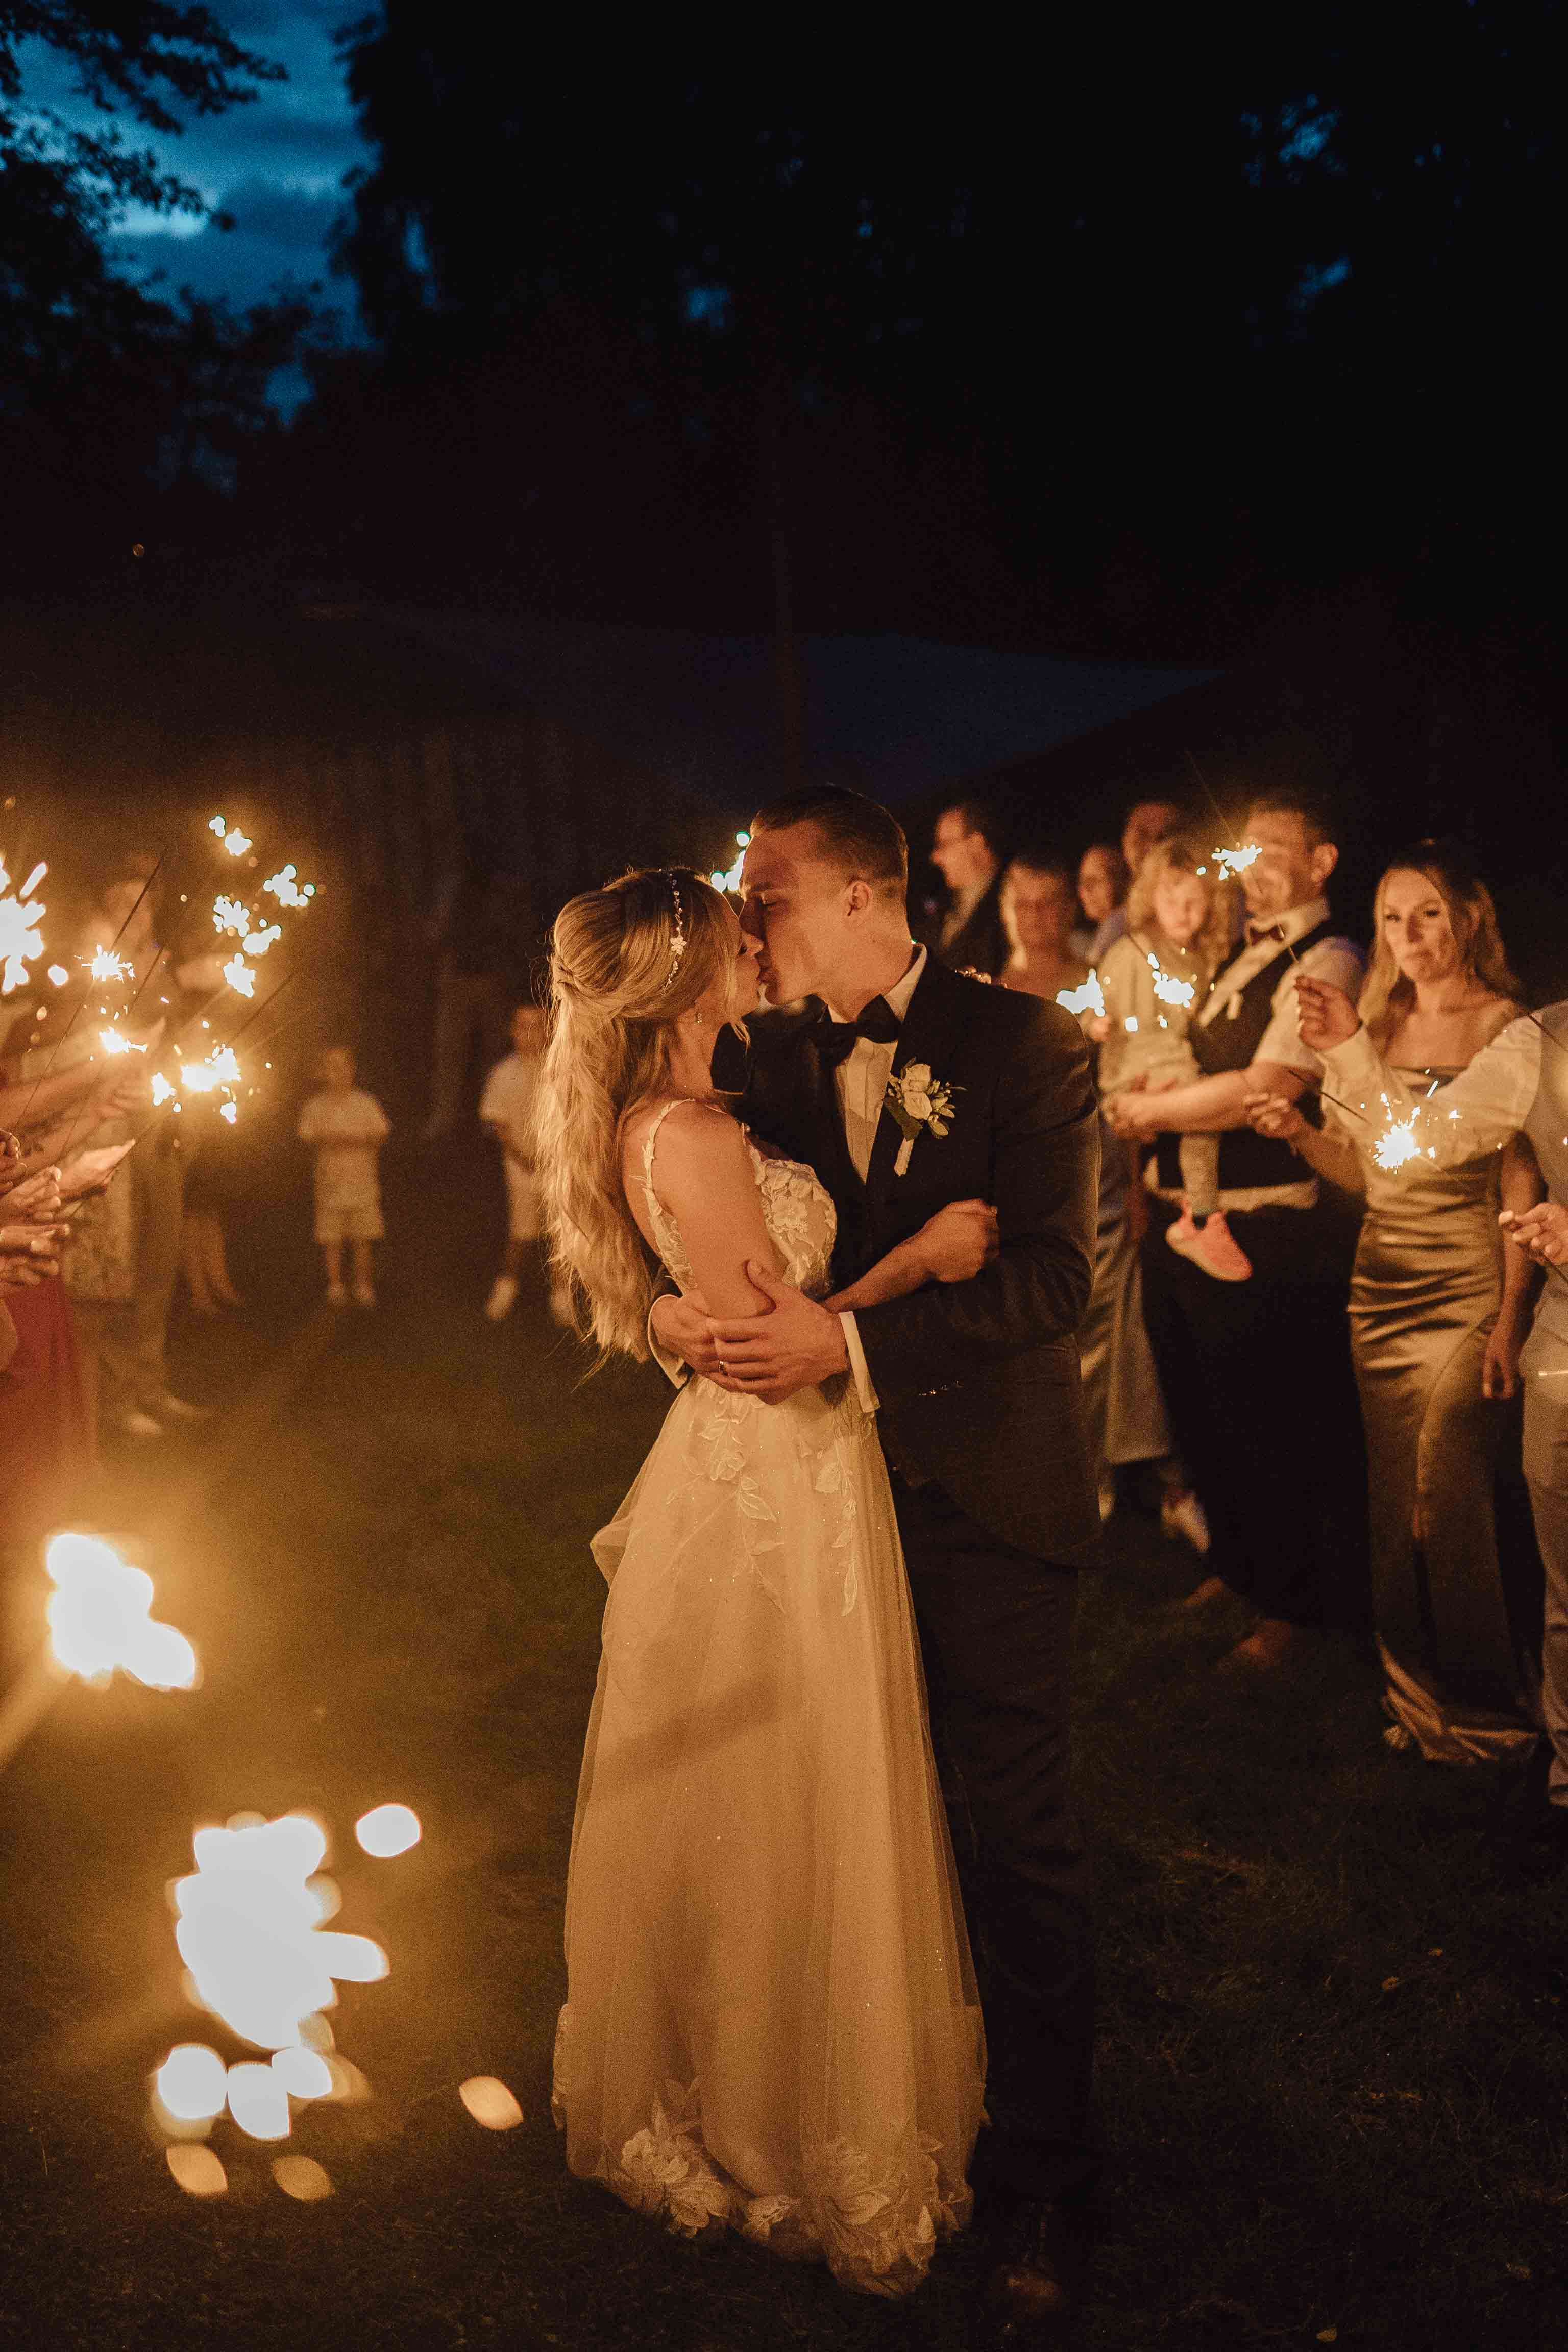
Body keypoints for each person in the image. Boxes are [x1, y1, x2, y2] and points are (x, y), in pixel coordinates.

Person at [649, 789, 1104, 2330]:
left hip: (983, 1492)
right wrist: (667, 1321)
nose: (740, 918)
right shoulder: (760, 1057)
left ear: (858, 896)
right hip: (818, 1513)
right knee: (845, 1817)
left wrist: (852, 1343)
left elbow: (1050, 1283)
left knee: (1011, 1829)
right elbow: (674, 1224)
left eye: (762, 893)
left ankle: (1040, 2159)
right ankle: (880, 2096)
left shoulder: (1029, 1049)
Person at [539, 865, 991, 2298]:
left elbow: (717, 1320)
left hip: (767, 1470)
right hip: (776, 1478)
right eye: (731, 937)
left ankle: (753, 2073)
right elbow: (776, 1342)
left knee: (764, 1783)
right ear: (682, 977)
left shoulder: (678, 1116)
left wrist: (687, 1315)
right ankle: (768, 2107)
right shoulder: (692, 1134)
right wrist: (915, 1262)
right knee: (778, 1786)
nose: (755, 942)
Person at [1244, 850, 1541, 1766]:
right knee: (1392, 1500)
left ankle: (1492, 1713)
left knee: (1448, 1498)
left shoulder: (1507, 1029)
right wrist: (1301, 1135)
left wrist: (1508, 1314)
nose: (1407, 938)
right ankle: (1416, 1701)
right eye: (1390, 920)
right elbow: (1369, 1173)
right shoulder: (1375, 1020)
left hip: (1466, 1282)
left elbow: (1515, 1179)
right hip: (1380, 1285)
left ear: (1467, 921)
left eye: (1426, 916)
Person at [1297, 957, 1568, 1861]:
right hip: (1522, 1336)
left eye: (1425, 913)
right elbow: (1427, 1138)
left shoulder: (1518, 1026)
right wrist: (1346, 1054)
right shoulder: (1540, 1042)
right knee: (1538, 1572)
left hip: (1506, 1314)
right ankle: (1537, 1757)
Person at [1106, 786, 1367, 1673]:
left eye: (1269, 846)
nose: (1248, 864)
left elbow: (1269, 1086)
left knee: (1272, 1420)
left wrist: (1149, 1114)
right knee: (1208, 1413)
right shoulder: (1229, 958)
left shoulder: (1328, 957)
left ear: (1319, 862)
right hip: (1187, 1217)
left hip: (1263, 1228)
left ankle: (1293, 1605)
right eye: (1243, 847)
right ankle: (1239, 1562)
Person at [1100, 835, 1249, 1282]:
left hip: (1174, 1063)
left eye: (1194, 901)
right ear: (1150, 897)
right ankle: (1203, 1217)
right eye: (1171, 899)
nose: (1183, 912)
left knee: (1201, 1117)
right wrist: (1096, 1023)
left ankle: (1197, 1214)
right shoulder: (1133, 952)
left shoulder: (1201, 959)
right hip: (1139, 1066)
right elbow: (1098, 1002)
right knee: (1204, 1116)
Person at [479, 1002, 571, 1325]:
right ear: (511, 1032)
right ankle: (506, 1289)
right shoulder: (503, 1075)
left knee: (561, 1232)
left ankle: (562, 1297)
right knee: (521, 1232)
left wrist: (554, 1159)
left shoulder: (560, 1071)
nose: (528, 1034)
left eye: (536, 1026)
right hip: (521, 1167)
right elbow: (498, 1125)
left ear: (548, 1031)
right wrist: (526, 1159)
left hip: (558, 1167)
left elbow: (571, 1119)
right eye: (521, 1026)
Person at [297, 1048, 389, 1308]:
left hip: (362, 1182)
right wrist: (330, 1140)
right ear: (324, 1073)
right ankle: (335, 1285)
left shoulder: (366, 1103)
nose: (338, 1074)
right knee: (332, 1238)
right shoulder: (315, 1106)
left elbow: (380, 1134)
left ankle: (363, 1285)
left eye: (343, 1067)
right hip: (330, 1183)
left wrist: (353, 1141)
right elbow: (308, 1135)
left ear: (352, 1070)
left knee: (362, 1237)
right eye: (332, 1068)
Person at [1088, 798, 1185, 963]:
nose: (1151, 845)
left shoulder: (1205, 914)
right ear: (1126, 842)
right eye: (1141, 834)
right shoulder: (1116, 928)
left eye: (1163, 835)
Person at [927, 800, 1008, 977]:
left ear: (976, 845)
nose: (935, 857)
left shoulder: (1013, 906)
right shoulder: (941, 909)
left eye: (943, 844)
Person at [997, 852, 1089, 1007]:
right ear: (1006, 909)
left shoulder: (1088, 989)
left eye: (1047, 903)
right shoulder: (988, 978)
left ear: (1069, 909)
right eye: (1023, 904)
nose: (1034, 913)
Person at [1073, 842, 1128, 962]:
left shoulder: (1117, 924)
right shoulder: (1086, 940)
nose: (1086, 890)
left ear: (1119, 882)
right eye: (1082, 881)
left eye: (1094, 881)